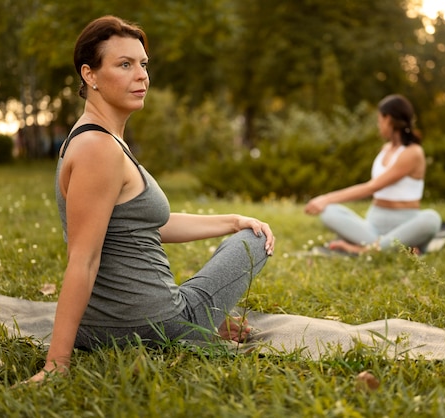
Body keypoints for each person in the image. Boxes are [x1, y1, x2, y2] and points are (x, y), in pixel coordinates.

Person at [27, 16, 275, 383]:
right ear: (89, 75)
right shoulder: (100, 149)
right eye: (124, 65)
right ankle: (200, 326)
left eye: (143, 64)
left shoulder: (93, 138)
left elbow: (149, 225)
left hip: (99, 328)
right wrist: (55, 365)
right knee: (254, 243)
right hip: (155, 323)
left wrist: (234, 220)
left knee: (244, 231)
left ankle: (208, 323)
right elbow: (83, 259)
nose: (142, 75)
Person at [304, 94, 441, 255]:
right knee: (329, 212)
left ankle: (365, 250)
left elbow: (372, 186)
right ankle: (391, 248)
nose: (378, 125)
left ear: (388, 119)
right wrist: (326, 204)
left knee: (432, 219)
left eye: (379, 120)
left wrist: (325, 198)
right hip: (372, 225)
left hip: (406, 225)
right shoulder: (385, 149)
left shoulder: (413, 153)